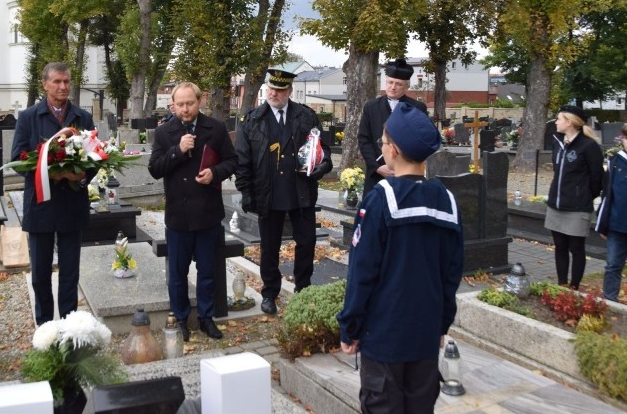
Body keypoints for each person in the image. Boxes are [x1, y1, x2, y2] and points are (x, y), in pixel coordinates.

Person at [337, 103, 463, 414]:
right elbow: (452, 272)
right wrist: (441, 324)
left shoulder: (381, 198)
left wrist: (350, 327)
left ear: (392, 150)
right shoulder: (446, 199)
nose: (381, 148)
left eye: (382, 142)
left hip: (385, 336)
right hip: (424, 333)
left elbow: (362, 272)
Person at [235, 69, 332, 315]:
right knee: (269, 245)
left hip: (301, 192)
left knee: (307, 242)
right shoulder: (253, 119)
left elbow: (323, 152)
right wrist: (246, 192)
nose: (273, 93)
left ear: (289, 91)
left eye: (279, 90)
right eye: (270, 88)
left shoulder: (306, 116)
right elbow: (243, 160)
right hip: (268, 193)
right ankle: (269, 292)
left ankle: (303, 289)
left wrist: (321, 167)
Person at [148, 82, 237, 340]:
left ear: (200, 102)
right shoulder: (164, 133)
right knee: (177, 274)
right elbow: (155, 169)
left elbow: (232, 161)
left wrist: (215, 173)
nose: (185, 109)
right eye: (180, 104)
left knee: (208, 272)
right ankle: (181, 319)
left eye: (190, 103)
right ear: (173, 105)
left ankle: (206, 319)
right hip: (179, 215)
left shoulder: (216, 128)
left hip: (208, 213)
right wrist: (178, 150)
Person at [11, 62, 96, 325]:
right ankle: (45, 327)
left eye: (67, 82)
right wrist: (57, 174)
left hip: (72, 205)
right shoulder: (28, 118)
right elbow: (17, 159)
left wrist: (80, 176)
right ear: (45, 84)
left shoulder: (82, 118)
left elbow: (95, 157)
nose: (63, 87)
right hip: (41, 206)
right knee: (40, 274)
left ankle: (70, 325)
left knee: (70, 273)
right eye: (57, 82)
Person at [545, 105, 604, 289]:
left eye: (559, 119)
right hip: (556, 204)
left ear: (569, 122)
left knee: (576, 249)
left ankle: (574, 287)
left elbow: (597, 178)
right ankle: (561, 284)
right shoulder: (558, 142)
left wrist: (583, 195)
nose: (556, 122)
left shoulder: (589, 146)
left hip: (577, 207)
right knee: (560, 247)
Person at [357, 58, 428, 194]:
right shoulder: (371, 107)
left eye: (398, 84)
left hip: (407, 174)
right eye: (390, 82)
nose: (393, 87)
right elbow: (364, 139)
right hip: (377, 174)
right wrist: (376, 166)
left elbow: (422, 140)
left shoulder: (418, 108)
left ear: (406, 86)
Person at [595, 119, 627, 301]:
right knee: (613, 265)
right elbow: (606, 195)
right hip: (617, 226)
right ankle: (609, 301)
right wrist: (603, 223)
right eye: (626, 138)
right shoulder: (615, 162)